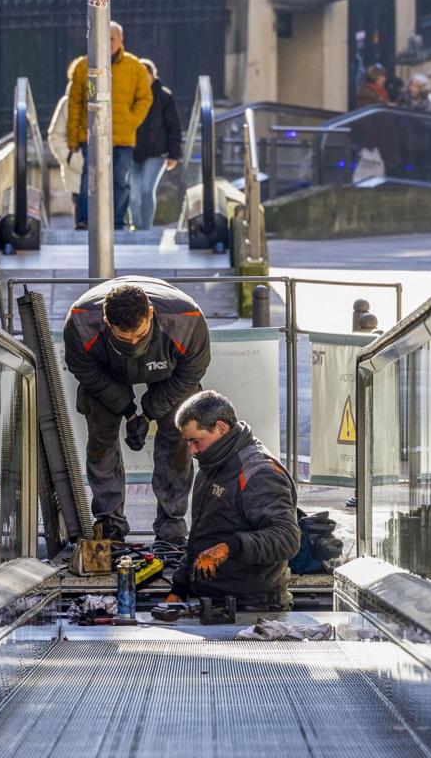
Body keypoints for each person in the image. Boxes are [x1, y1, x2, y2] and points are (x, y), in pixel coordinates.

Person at [63, 277, 210, 544]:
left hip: (170, 370)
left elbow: (190, 374)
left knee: (178, 438)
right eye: (123, 336)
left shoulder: (187, 320)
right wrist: (129, 411)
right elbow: (86, 372)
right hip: (107, 370)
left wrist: (149, 413)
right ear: (107, 322)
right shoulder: (81, 322)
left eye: (140, 334)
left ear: (151, 313)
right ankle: (109, 521)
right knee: (101, 439)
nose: (132, 342)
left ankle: (171, 525)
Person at [164, 390, 300, 609]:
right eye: (188, 442)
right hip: (213, 601)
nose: (192, 450)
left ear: (221, 428)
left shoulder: (258, 472)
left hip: (254, 609)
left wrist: (229, 547)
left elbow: (286, 538)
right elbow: (203, 534)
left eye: (196, 441)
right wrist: (179, 588)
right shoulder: (213, 465)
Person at [66, 22, 153, 230]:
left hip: (123, 137)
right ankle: (85, 220)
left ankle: (116, 221)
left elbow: (145, 98)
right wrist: (73, 138)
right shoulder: (83, 67)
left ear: (121, 41)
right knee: (91, 178)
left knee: (121, 180)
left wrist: (131, 121)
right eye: (104, 38)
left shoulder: (135, 68)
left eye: (112, 39)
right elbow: (75, 103)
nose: (108, 43)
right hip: (92, 134)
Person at [130, 58, 182, 231]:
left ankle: (145, 229)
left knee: (146, 190)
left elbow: (173, 126)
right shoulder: (130, 95)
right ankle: (136, 227)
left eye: (146, 75)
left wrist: (174, 154)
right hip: (132, 151)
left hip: (156, 153)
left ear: (153, 76)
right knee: (133, 194)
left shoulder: (164, 96)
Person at [48, 58, 86, 227]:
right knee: (82, 215)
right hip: (77, 168)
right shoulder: (67, 103)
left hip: (104, 166)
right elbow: (55, 136)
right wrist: (71, 158)